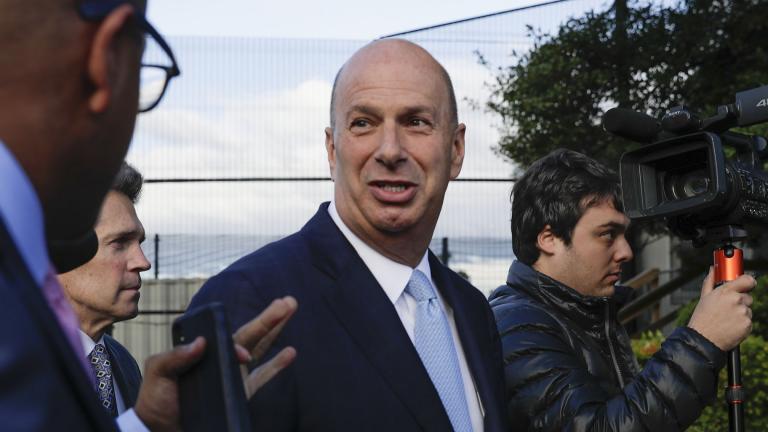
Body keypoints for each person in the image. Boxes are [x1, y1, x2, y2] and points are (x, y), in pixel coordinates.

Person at [0, 0, 295, 430]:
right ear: (108, 60)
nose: (143, 262)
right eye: (118, 242)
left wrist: (144, 422)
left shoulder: (117, 364)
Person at [189, 38, 507, 431]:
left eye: (415, 122)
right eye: (363, 123)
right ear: (332, 150)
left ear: (456, 149)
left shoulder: (473, 311)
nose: (390, 149)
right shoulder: (250, 303)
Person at [489, 149, 755, 431]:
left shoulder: (582, 313)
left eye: (624, 235)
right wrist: (701, 342)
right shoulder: (517, 326)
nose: (626, 251)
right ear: (549, 239)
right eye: (606, 234)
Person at [58, 162, 150, 416]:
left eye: (139, 243)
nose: (143, 262)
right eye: (120, 242)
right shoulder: (16, 365)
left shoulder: (123, 363)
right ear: (60, 251)